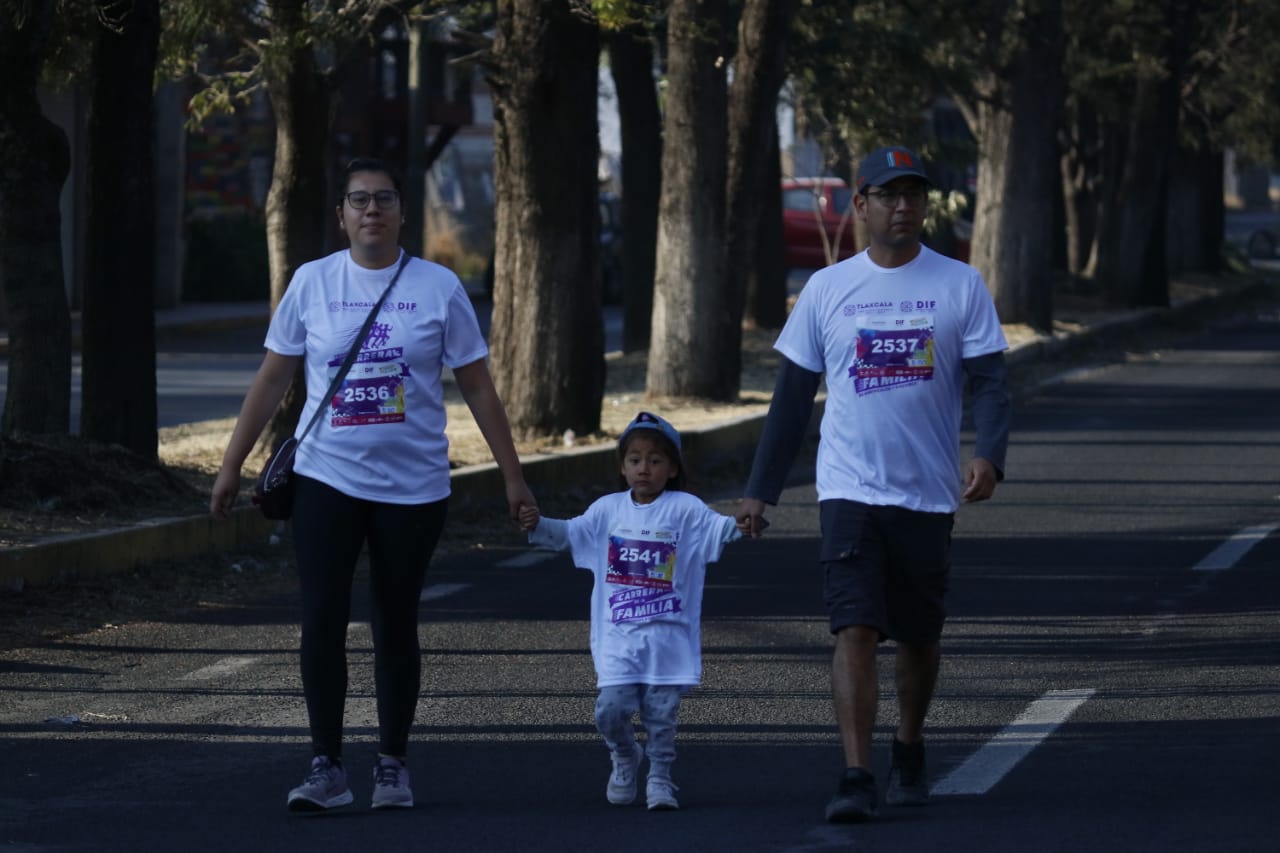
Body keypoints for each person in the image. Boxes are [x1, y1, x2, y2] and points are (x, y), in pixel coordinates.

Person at [210, 157, 536, 813]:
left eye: (384, 199)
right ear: (341, 215)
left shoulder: (438, 287)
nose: (371, 211)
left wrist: (513, 477)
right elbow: (273, 378)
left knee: (395, 622)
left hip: (414, 486)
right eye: (358, 200)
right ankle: (326, 765)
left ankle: (393, 764)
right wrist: (230, 463)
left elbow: (477, 386)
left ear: (402, 212)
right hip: (325, 477)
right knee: (321, 619)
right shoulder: (313, 283)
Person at [735, 144, 1012, 822]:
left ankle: (909, 744)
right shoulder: (828, 291)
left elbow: (992, 381)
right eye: (888, 194)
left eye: (913, 194)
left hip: (926, 492)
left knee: (918, 635)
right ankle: (856, 774)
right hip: (849, 492)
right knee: (854, 627)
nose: (903, 206)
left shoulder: (958, 284)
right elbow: (793, 399)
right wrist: (759, 490)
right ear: (859, 204)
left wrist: (990, 455)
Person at [518, 412, 751, 811]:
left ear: (673, 468)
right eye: (635, 459)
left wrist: (745, 523)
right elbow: (569, 534)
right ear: (622, 466)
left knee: (662, 717)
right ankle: (625, 755)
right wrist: (536, 522)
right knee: (609, 711)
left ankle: (660, 778)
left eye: (656, 460)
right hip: (618, 641)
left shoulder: (686, 510)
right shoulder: (606, 511)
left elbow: (722, 528)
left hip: (668, 640)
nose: (645, 468)